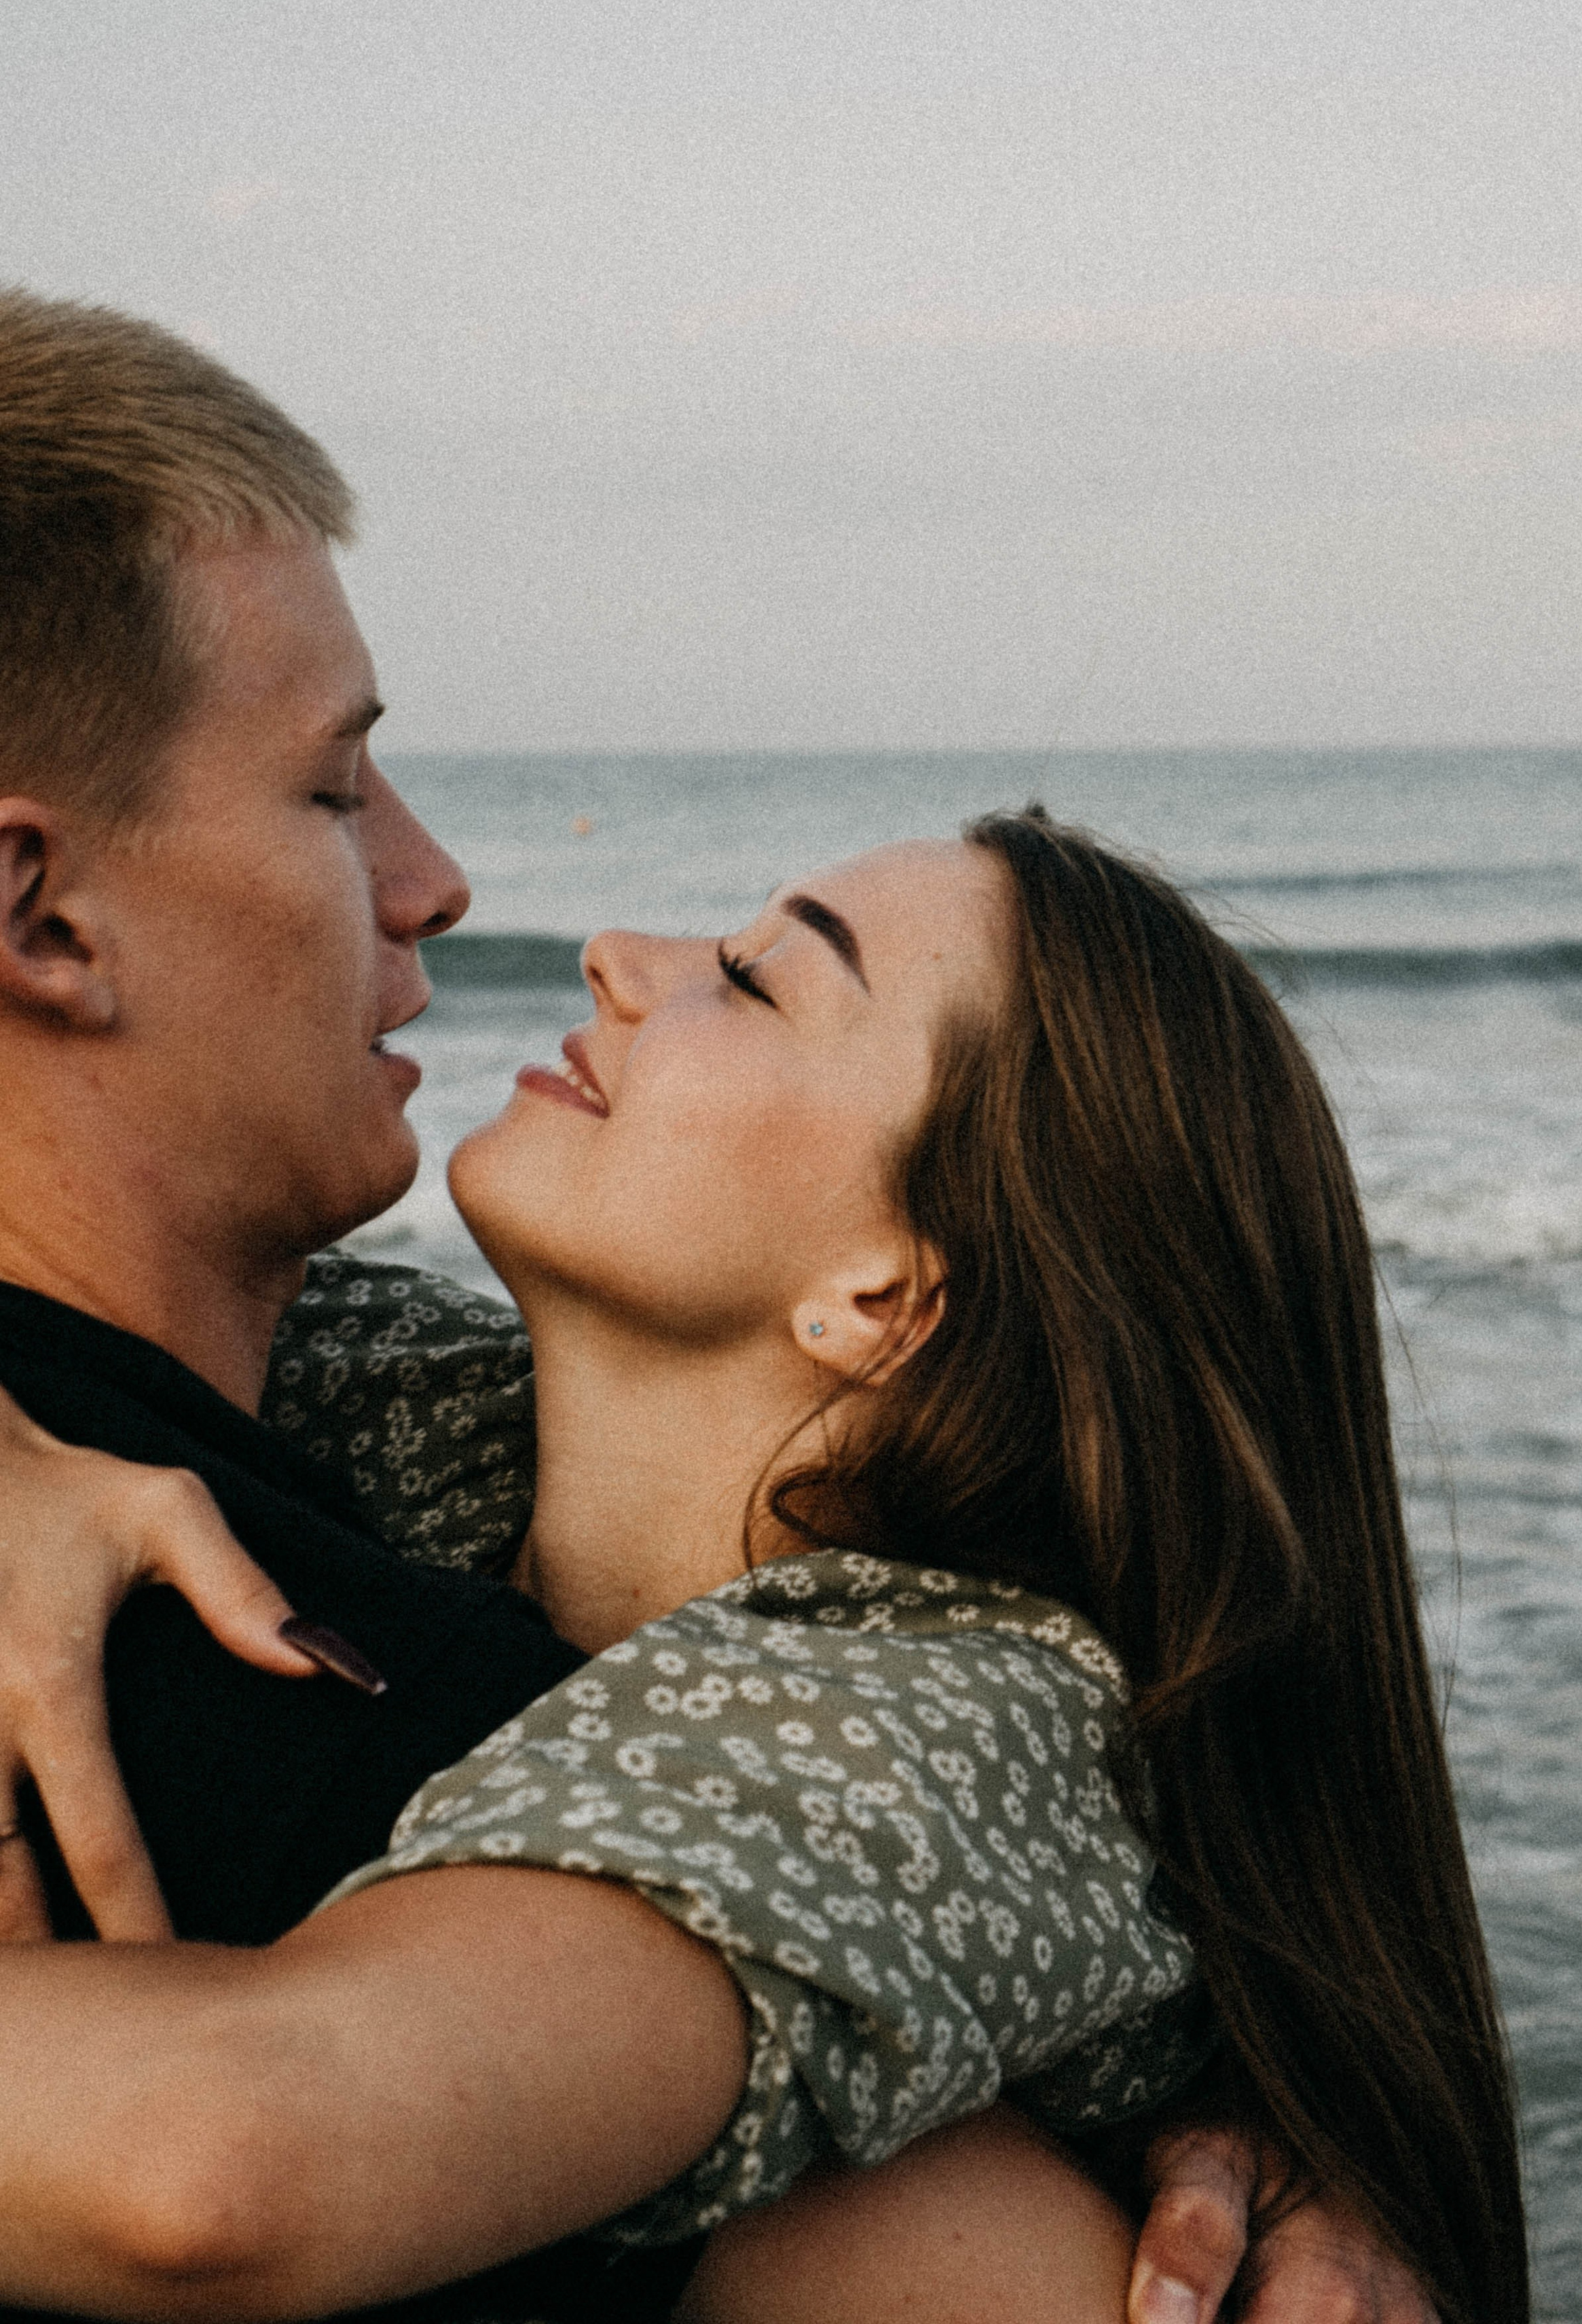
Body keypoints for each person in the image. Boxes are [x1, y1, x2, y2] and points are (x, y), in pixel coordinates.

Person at [0, 285, 1468, 2321]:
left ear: (887, 1293)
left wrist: (1238, 2114)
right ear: (38, 914)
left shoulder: (951, 1725)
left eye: (769, 980)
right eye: (337, 790)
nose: (592, 940)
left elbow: (229, 2155)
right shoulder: (399, 1430)